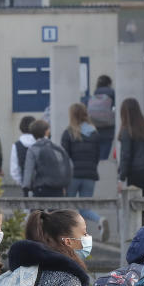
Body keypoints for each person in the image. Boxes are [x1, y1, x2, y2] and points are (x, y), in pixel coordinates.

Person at [61, 103, 110, 241]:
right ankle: (99, 219)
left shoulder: (69, 132)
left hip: (73, 176)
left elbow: (64, 158)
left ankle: (72, 236)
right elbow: (96, 156)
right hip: (90, 175)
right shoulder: (94, 133)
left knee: (67, 207)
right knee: (84, 208)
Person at [117, 98, 144, 197]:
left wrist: (121, 178)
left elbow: (125, 156)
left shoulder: (127, 131)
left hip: (135, 172)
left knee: (134, 203)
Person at [22, 119, 72, 197]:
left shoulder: (33, 149)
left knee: (37, 209)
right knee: (57, 210)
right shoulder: (58, 148)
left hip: (40, 188)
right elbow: (68, 166)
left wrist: (26, 188)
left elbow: (29, 170)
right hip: (58, 188)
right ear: (47, 132)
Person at [91, 75, 117, 160]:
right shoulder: (112, 93)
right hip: (108, 128)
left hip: (95, 128)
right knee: (104, 155)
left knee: (97, 153)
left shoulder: (94, 94)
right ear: (109, 84)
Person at [9, 115, 37, 187]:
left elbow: (14, 169)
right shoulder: (40, 143)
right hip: (41, 182)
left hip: (25, 182)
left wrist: (21, 182)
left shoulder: (16, 145)